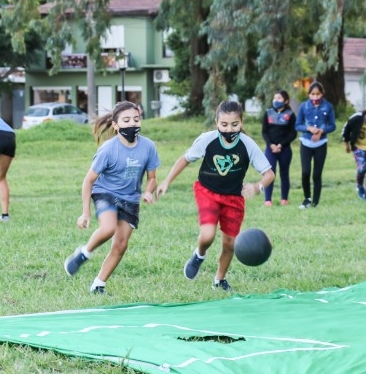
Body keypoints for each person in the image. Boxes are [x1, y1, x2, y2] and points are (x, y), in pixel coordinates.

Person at [158, 99, 275, 292]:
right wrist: (166, 181)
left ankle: (219, 280)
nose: (229, 129)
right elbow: (185, 159)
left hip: (234, 198)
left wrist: (257, 187)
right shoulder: (208, 139)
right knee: (207, 235)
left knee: (230, 244)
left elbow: (269, 174)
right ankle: (199, 255)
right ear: (216, 122)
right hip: (207, 192)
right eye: (224, 124)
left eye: (235, 124)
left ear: (242, 122)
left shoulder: (248, 144)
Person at [63, 101, 160, 295]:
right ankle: (84, 253)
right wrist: (85, 213)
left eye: (136, 119)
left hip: (130, 198)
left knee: (121, 245)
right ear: (115, 125)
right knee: (108, 228)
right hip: (106, 192)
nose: (132, 124)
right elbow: (88, 181)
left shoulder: (148, 146)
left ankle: (98, 285)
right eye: (126, 120)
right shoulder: (108, 149)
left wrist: (149, 192)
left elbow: (152, 178)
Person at [295, 81, 336, 209]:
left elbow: (332, 125)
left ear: (322, 94)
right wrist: (308, 128)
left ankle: (315, 202)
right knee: (305, 172)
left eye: (318, 94)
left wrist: (321, 131)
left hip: (321, 144)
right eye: (312, 94)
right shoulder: (304, 106)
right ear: (309, 94)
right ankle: (307, 198)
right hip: (306, 143)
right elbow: (297, 125)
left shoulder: (328, 106)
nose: (315, 97)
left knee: (317, 174)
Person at [261, 90, 296, 206]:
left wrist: (281, 144)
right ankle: (268, 200)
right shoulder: (268, 113)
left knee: (284, 174)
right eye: (274, 98)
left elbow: (293, 133)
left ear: (286, 101)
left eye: (279, 98)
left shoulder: (290, 115)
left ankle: (284, 199)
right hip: (270, 149)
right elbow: (264, 132)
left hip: (284, 149)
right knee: (269, 173)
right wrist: (270, 144)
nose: (276, 100)